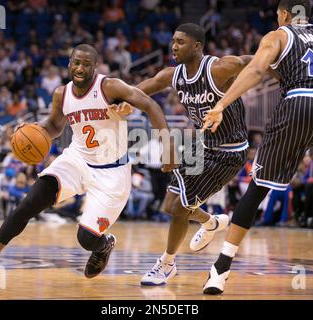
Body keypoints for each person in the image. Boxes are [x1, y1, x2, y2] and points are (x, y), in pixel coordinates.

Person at [0, 44, 176, 280]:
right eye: (76, 62)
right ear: (69, 64)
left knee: (86, 238)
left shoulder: (110, 86)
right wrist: (33, 130)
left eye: (86, 64)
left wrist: (168, 145)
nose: (80, 68)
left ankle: (104, 245)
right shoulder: (62, 93)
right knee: (28, 204)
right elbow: (54, 126)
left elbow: (151, 105)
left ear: (95, 67)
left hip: (112, 172)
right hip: (77, 159)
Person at [202, 0, 313, 294]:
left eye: (278, 14)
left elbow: (255, 71)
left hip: (297, 104)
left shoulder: (279, 35)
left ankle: (220, 270)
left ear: (285, 13)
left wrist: (222, 104)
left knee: (259, 186)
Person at [114, 23, 252, 286]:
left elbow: (252, 61)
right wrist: (121, 99)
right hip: (199, 146)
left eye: (181, 42)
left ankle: (167, 264)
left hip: (228, 152)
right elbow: (146, 87)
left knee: (179, 208)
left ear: (197, 46)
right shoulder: (174, 75)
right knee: (170, 206)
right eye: (173, 41)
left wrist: (285, 61)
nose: (174, 46)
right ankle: (210, 222)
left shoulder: (218, 69)